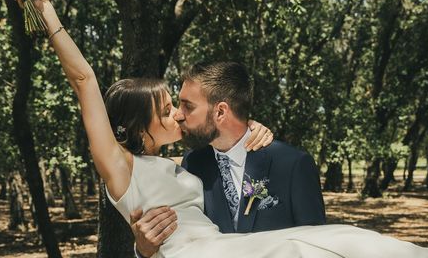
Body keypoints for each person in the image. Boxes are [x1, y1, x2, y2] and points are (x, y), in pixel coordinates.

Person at [11, 0, 428, 258]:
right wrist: (47, 11)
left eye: (179, 104)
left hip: (228, 250)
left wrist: (257, 131)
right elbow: (84, 82)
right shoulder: (120, 169)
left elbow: (225, 146)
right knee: (320, 243)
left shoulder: (183, 167)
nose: (174, 111)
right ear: (134, 122)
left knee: (341, 240)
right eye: (166, 105)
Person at [130, 62, 326, 257]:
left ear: (221, 112)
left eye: (188, 106)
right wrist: (144, 249)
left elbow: (319, 248)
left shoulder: (293, 165)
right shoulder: (193, 164)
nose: (178, 115)